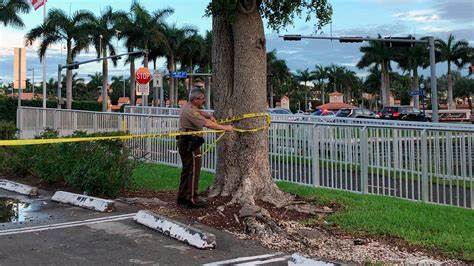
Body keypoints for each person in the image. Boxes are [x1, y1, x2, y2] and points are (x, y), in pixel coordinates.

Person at [177, 85, 233, 208]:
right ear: (195, 99)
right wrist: (226, 128)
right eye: (202, 98)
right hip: (190, 143)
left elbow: (201, 113)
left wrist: (208, 115)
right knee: (193, 171)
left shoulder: (188, 106)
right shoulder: (190, 111)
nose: (204, 100)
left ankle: (182, 197)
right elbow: (208, 124)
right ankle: (192, 199)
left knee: (187, 170)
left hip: (186, 141)